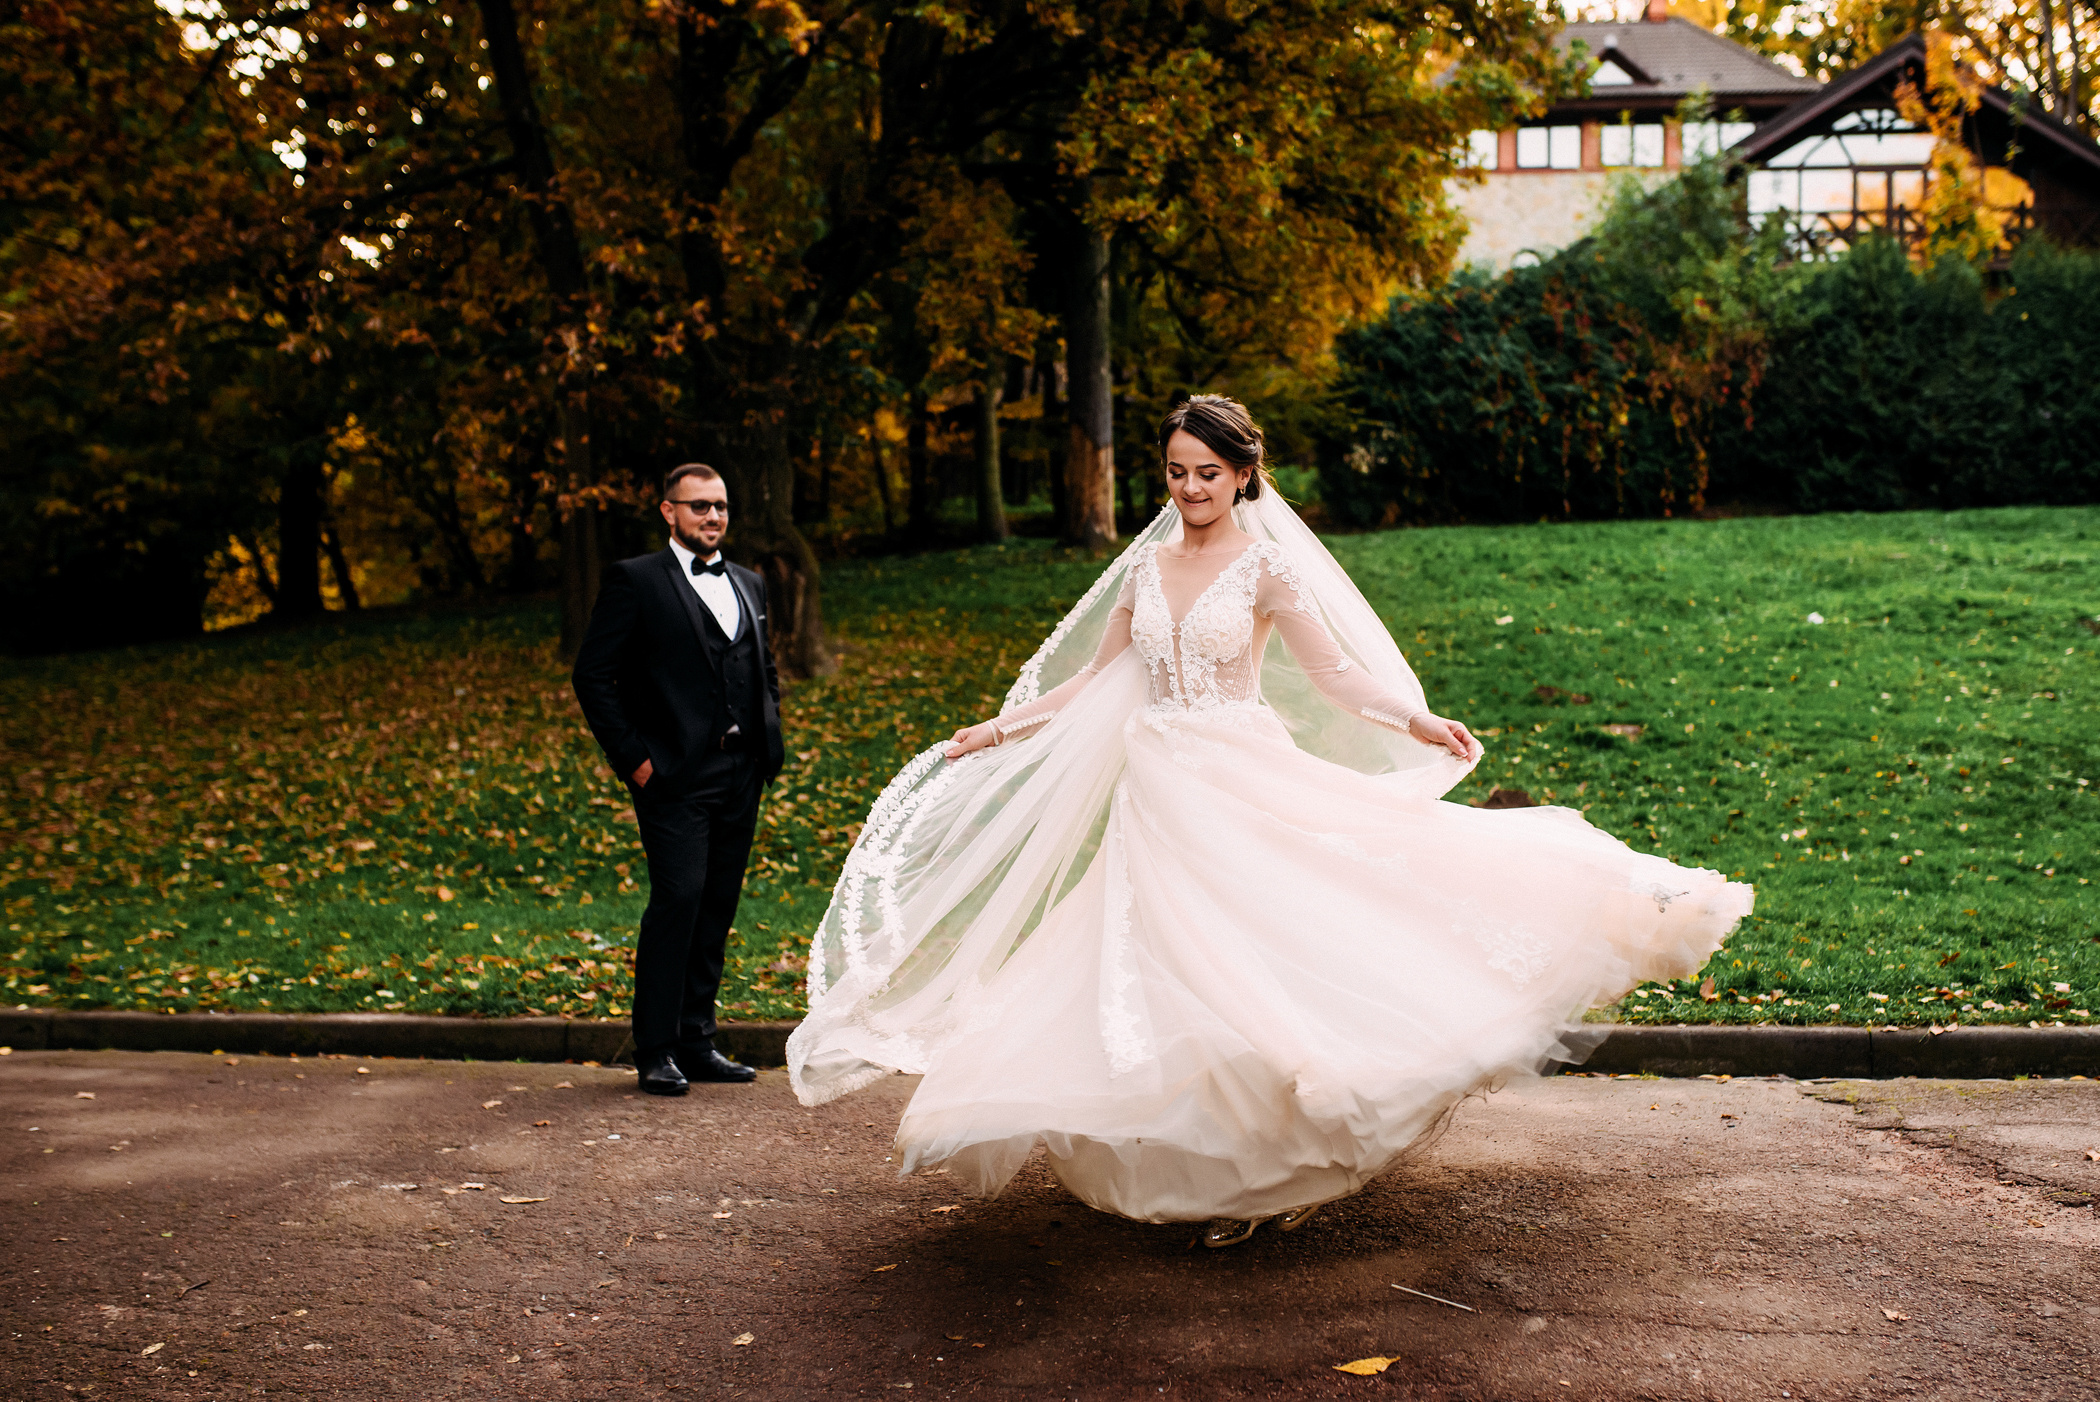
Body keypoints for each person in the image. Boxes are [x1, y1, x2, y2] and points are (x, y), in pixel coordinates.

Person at [787, 396, 1752, 1243]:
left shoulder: (1266, 568)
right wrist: (997, 730)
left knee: (1266, 959)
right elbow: (1093, 680)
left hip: (1239, 780)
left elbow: (1333, 674)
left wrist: (1415, 720)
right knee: (1167, 978)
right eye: (1177, 472)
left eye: (1208, 472)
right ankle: (1214, 1170)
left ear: (1244, 475)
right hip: (1157, 794)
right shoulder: (1145, 569)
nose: (1190, 488)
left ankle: (1286, 1157)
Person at [573, 463, 785, 1096]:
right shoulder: (636, 580)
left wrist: (767, 738)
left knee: (717, 905)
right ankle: (657, 1048)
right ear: (669, 512)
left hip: (741, 771)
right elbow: (593, 675)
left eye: (720, 506)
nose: (713, 516)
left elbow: (763, 668)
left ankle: (697, 1040)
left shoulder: (749, 582)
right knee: (679, 900)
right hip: (673, 776)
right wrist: (636, 760)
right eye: (699, 506)